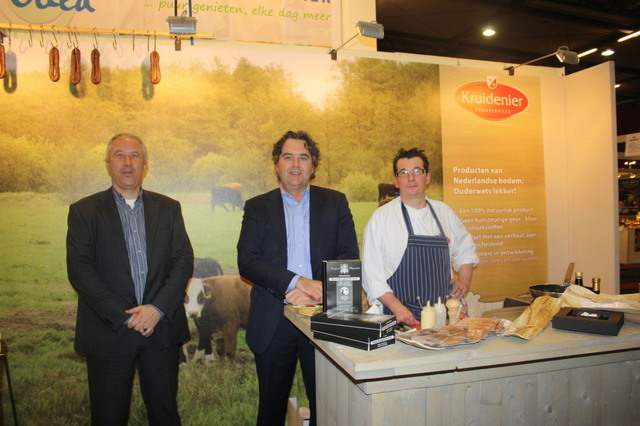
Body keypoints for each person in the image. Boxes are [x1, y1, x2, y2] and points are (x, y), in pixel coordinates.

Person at [66, 133, 194, 425]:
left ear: (144, 165)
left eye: (135, 156)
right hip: (108, 333)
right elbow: (80, 270)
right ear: (108, 164)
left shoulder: (169, 208)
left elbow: (182, 260)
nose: (127, 162)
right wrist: (126, 316)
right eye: (119, 155)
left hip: (160, 331)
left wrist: (156, 310)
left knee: (164, 415)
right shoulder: (84, 211)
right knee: (108, 417)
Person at [237, 130, 359, 425]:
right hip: (273, 319)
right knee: (271, 410)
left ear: (313, 165)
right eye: (288, 157)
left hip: (324, 318)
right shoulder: (257, 206)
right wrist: (298, 282)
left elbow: (348, 257)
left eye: (303, 157)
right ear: (277, 164)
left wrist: (320, 292)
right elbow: (248, 262)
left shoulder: (335, 202)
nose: (295, 164)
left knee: (326, 408)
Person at [362, 147, 478, 327]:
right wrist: (398, 308)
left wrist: (464, 281)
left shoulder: (444, 212)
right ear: (396, 181)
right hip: (398, 319)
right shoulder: (382, 218)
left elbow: (466, 249)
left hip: (441, 318)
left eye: (417, 171)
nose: (411, 178)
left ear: (427, 177)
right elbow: (371, 274)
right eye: (404, 172)